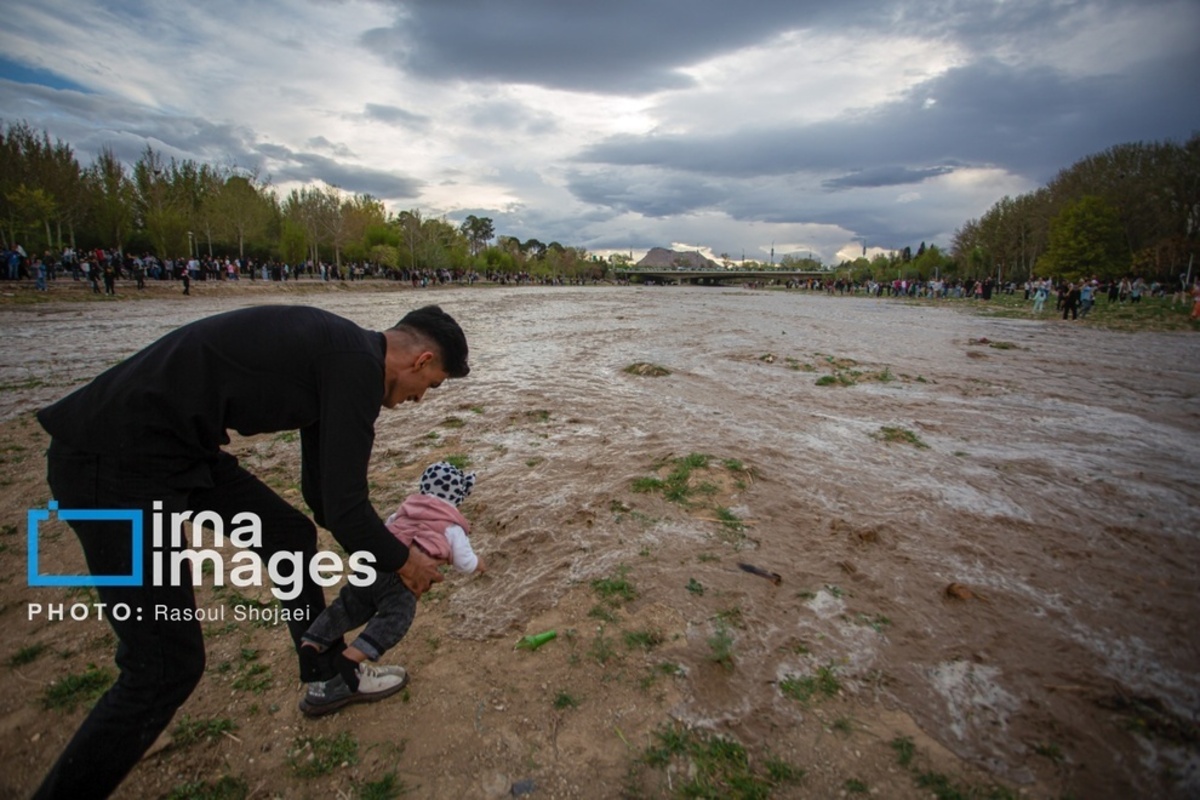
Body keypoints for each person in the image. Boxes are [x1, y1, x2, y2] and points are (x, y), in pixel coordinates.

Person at [31, 304, 468, 799]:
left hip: (176, 452)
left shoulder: (344, 355)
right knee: (164, 669)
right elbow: (346, 511)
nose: (420, 400)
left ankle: (326, 679)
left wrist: (385, 551)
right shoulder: (354, 367)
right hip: (110, 465)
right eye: (431, 386)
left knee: (288, 535)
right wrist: (403, 561)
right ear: (422, 360)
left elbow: (325, 501)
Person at [299, 461, 485, 716]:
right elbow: (465, 562)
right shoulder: (451, 525)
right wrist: (480, 565)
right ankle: (350, 658)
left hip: (374, 567)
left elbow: (384, 531)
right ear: (458, 498)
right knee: (395, 618)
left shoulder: (405, 510)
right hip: (399, 584)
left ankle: (311, 643)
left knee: (345, 607)